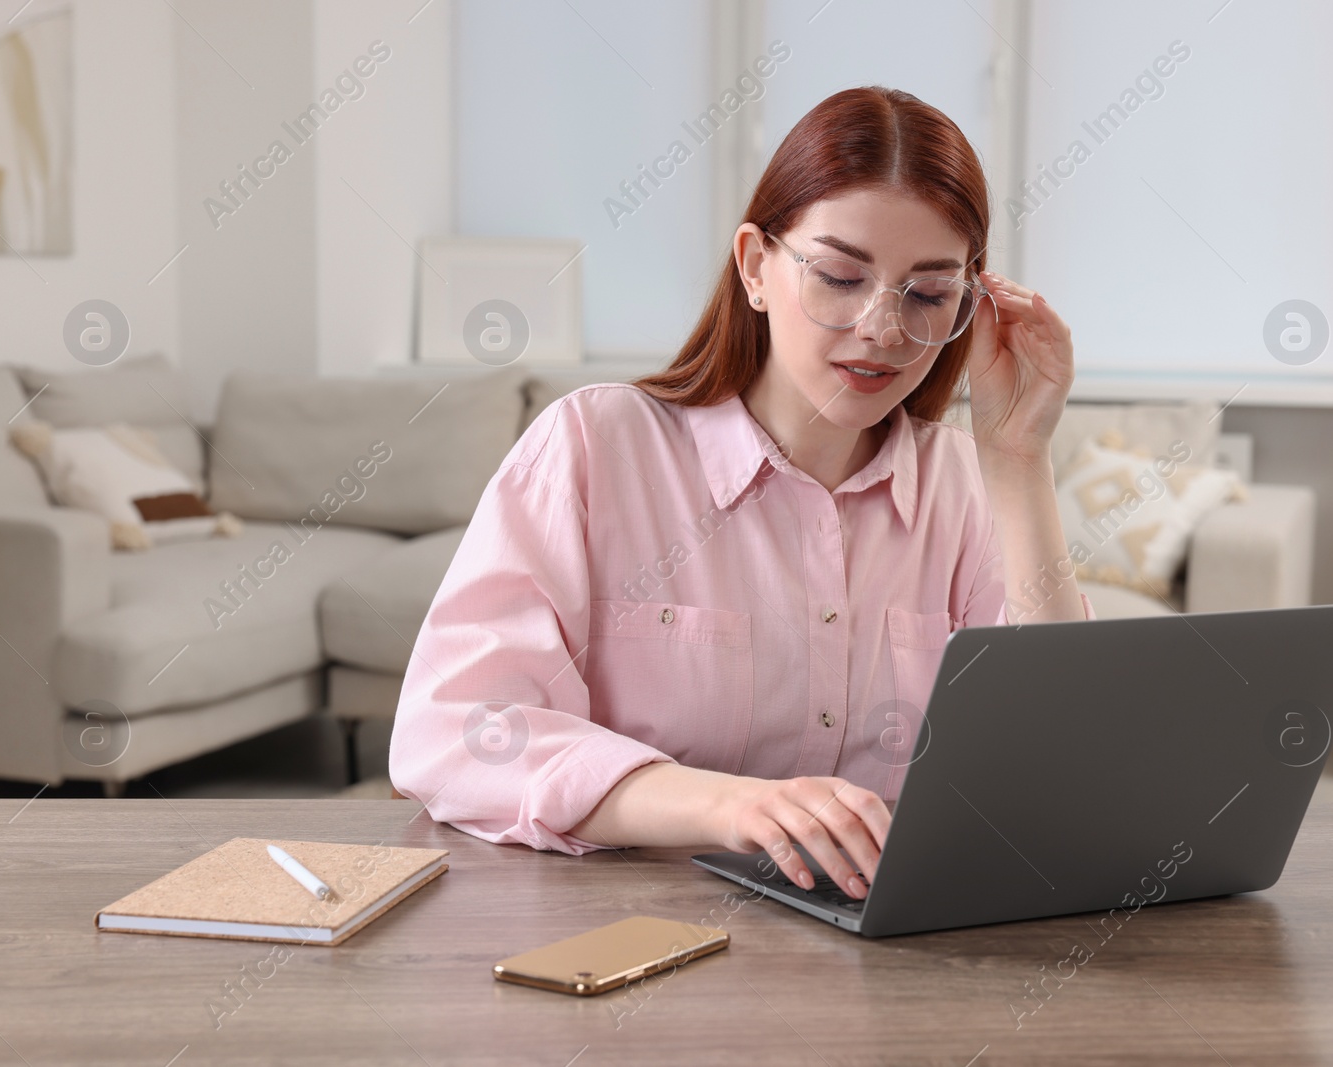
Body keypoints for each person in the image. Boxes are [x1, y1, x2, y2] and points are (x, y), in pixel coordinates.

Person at [390, 86, 1093, 906]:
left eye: (930, 294)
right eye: (839, 276)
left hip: (896, 965)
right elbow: (455, 732)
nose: (884, 328)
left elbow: (1063, 771)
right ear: (757, 266)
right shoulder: (596, 445)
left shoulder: (966, 481)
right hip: (635, 939)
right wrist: (732, 803)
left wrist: (1018, 457)